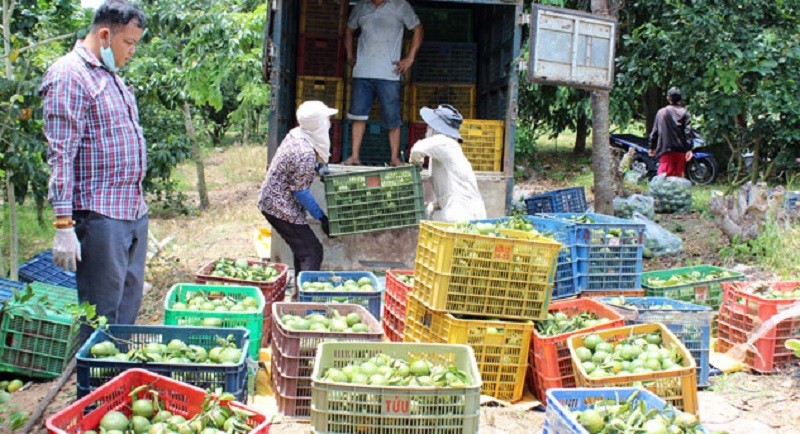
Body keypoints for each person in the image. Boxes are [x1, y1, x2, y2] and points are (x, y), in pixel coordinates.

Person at [41, 0, 147, 343]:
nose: (131, 52)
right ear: (104, 35)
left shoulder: (109, 75)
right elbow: (61, 154)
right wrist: (63, 224)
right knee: (102, 313)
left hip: (131, 210)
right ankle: (98, 388)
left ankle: (119, 375)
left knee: (127, 307)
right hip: (101, 215)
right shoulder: (69, 75)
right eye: (128, 43)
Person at [258, 101, 336, 287]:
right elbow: (300, 192)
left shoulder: (297, 133)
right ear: (318, 124)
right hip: (280, 206)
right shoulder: (304, 152)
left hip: (274, 199)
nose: (329, 123)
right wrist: (321, 217)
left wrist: (317, 166)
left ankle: (299, 293)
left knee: (303, 249)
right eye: (326, 120)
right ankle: (305, 297)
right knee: (312, 251)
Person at [343, 0, 424, 167]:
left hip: (389, 74)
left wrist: (410, 58)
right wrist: (350, 54)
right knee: (358, 116)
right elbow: (349, 30)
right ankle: (354, 157)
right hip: (362, 73)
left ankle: (395, 158)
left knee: (392, 118)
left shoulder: (401, 6)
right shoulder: (361, 6)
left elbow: (418, 29)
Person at [409, 104, 486, 222]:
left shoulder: (444, 142)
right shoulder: (443, 151)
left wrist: (416, 164)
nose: (427, 128)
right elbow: (447, 191)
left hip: (464, 214)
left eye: (429, 126)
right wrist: (432, 206)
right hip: (466, 213)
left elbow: (417, 149)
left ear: (436, 128)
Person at [648, 87, 694, 177]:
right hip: (680, 151)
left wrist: (651, 147)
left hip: (665, 150)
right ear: (680, 98)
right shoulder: (685, 113)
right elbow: (688, 132)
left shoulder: (661, 112)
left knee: (664, 179)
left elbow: (654, 132)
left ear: (668, 98)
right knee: (678, 178)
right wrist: (689, 149)